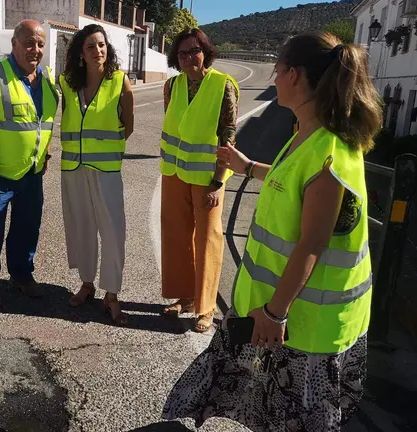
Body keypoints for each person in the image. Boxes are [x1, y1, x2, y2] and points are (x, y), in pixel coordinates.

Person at [162, 31, 382, 431]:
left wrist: (275, 313)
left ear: (294, 76)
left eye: (277, 71)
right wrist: (249, 168)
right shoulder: (305, 133)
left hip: (306, 326)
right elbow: (289, 182)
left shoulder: (329, 153)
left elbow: (312, 244)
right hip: (279, 316)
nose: (273, 78)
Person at [0, 19, 60, 308]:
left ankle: (21, 275)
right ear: (14, 44)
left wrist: (45, 151)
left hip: (31, 172)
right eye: (29, 43)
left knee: (28, 226)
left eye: (40, 44)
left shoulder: (48, 80)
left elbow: (44, 122)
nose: (35, 49)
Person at [159, 28, 240, 333]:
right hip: (174, 173)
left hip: (208, 178)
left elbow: (228, 134)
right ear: (175, 58)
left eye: (195, 51)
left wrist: (219, 181)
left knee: (207, 240)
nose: (189, 57)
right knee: (177, 238)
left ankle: (205, 307)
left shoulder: (223, 86)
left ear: (206, 52)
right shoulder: (171, 86)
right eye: (182, 53)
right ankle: (186, 297)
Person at [58, 24, 134, 326]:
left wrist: (106, 147)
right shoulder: (67, 83)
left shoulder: (120, 82)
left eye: (101, 45)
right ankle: (87, 284)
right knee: (82, 228)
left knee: (114, 232)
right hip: (73, 169)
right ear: (80, 53)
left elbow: (128, 125)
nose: (98, 51)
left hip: (106, 171)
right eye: (90, 46)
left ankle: (111, 294)